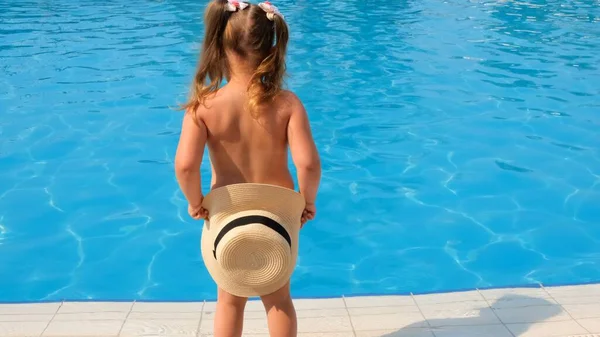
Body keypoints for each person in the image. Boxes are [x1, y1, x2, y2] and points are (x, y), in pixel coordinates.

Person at [173, 0, 321, 336]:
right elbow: (308, 163)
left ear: (220, 46)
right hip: (278, 219)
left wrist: (195, 201)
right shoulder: (287, 103)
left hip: (228, 218)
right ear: (272, 47)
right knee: (279, 300)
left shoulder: (205, 108)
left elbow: (185, 166)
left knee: (228, 300)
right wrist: (307, 200)